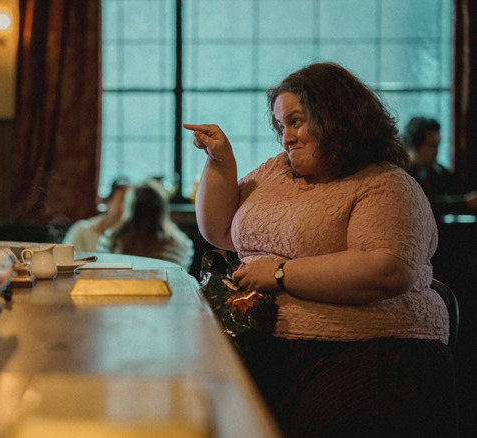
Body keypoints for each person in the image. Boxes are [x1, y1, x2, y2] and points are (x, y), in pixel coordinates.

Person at [185, 62, 455, 437]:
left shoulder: (386, 184)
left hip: (366, 351)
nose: (286, 138)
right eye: (281, 126)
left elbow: (387, 269)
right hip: (268, 342)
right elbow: (221, 230)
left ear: (337, 118)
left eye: (296, 122)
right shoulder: (275, 172)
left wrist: (280, 275)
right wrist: (220, 161)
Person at [97, 180, 194, 271]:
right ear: (162, 209)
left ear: (129, 208)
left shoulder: (110, 240)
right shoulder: (181, 244)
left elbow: (105, 274)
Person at [403, 116, 477, 216]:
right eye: (431, 146)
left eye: (438, 145)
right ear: (410, 146)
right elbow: (420, 206)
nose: (437, 152)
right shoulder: (401, 177)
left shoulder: (440, 173)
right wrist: (464, 203)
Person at [62, 178, 130, 252]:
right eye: (123, 199)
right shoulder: (82, 230)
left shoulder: (130, 238)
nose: (126, 206)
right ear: (107, 201)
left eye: (130, 201)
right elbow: (64, 258)